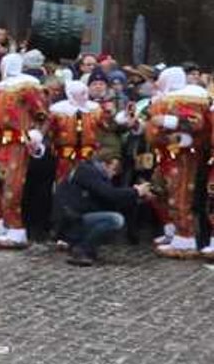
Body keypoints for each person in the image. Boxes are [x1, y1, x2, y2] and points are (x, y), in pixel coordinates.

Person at [0, 53, 48, 249]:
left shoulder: (27, 87)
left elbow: (43, 114)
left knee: (12, 188)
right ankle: (0, 224)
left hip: (17, 144)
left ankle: (16, 230)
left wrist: (36, 135)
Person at [145, 67, 208, 258]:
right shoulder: (164, 98)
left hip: (181, 156)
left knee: (180, 196)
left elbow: (196, 123)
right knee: (159, 192)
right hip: (164, 155)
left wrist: (168, 121)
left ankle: (185, 238)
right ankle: (173, 231)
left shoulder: (183, 99)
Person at [54, 148, 148, 266]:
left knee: (115, 218)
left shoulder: (94, 173)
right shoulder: (87, 171)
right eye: (114, 169)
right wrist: (136, 192)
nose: (114, 173)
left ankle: (82, 246)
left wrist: (137, 197)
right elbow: (109, 194)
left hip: (76, 217)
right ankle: (82, 248)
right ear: (105, 164)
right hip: (72, 220)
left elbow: (111, 200)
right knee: (115, 220)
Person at [48, 80, 106, 183]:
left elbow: (105, 127)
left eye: (85, 93)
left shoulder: (95, 109)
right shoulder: (58, 111)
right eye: (81, 94)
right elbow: (50, 131)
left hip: (88, 154)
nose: (85, 96)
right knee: (65, 181)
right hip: (64, 154)